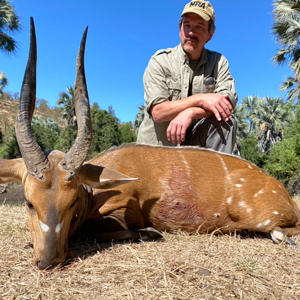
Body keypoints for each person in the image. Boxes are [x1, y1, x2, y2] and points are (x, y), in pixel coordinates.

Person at [137, 0, 238, 154]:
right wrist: (200, 99)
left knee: (226, 121)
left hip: (193, 148)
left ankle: (215, 176)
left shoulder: (219, 62)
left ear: (210, 35)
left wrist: (190, 113)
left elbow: (226, 104)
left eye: (199, 26)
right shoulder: (160, 60)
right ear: (180, 29)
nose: (191, 32)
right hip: (156, 152)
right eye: (187, 25)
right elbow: (158, 112)